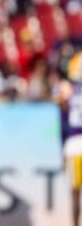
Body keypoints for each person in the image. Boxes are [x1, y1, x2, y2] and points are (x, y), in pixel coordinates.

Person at [56, 51, 82, 226]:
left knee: (74, 193)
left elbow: (63, 122)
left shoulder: (66, 89)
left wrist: (62, 150)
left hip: (73, 144)